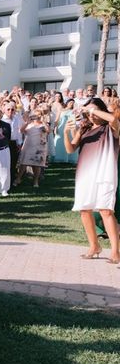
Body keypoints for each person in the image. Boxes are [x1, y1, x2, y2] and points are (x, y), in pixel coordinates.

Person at [64, 98, 120, 263]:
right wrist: (67, 132)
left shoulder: (111, 128)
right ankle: (94, 246)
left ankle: (115, 252)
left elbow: (114, 119)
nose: (90, 115)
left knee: (106, 211)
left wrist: (91, 109)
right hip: (85, 174)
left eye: (94, 111)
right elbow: (70, 149)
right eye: (88, 112)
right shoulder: (84, 129)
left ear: (101, 110)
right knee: (84, 210)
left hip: (105, 174)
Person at [14, 110, 48, 188]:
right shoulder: (29, 124)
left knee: (37, 164)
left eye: (39, 115)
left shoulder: (43, 124)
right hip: (28, 145)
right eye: (36, 115)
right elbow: (21, 131)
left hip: (40, 146)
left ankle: (35, 181)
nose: (37, 117)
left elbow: (48, 131)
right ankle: (18, 179)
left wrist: (43, 122)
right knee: (24, 163)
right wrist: (27, 123)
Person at [53, 98, 78, 164]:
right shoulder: (61, 110)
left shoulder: (74, 111)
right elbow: (57, 120)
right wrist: (55, 127)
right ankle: (59, 158)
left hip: (70, 129)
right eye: (70, 103)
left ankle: (69, 158)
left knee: (68, 142)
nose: (71, 104)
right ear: (67, 103)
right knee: (59, 142)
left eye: (73, 103)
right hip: (61, 128)